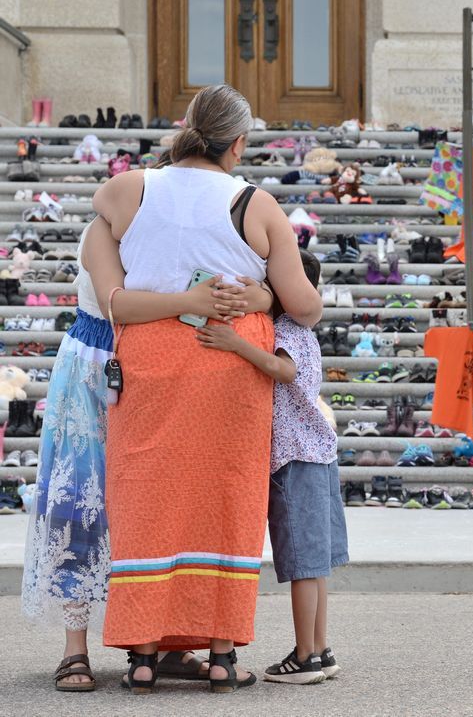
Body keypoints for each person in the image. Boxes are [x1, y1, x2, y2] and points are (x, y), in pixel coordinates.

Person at [87, 83, 323, 694]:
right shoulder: (257, 204)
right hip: (229, 364)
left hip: (150, 359)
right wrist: (265, 294)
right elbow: (304, 306)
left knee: (147, 495)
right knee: (227, 496)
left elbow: (108, 283)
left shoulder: (125, 189)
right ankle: (221, 653)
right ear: (238, 144)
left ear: (185, 128)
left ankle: (142, 653)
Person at [21, 221, 270, 692]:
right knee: (81, 499)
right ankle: (76, 648)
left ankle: (168, 643)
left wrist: (261, 298)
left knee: (160, 504)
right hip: (97, 360)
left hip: (159, 367)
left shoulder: (185, 231)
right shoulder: (106, 231)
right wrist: (192, 302)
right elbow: (117, 303)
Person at [196, 249, 347, 685]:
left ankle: (304, 657)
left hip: (293, 454)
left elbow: (283, 371)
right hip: (316, 450)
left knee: (301, 561)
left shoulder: (287, 328)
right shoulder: (304, 328)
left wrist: (235, 344)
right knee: (316, 563)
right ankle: (319, 650)